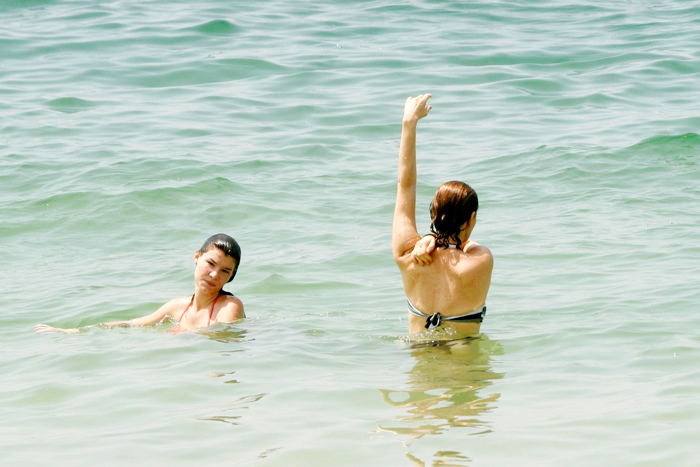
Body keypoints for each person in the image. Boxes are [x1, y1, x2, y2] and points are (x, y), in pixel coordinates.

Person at [393, 94, 493, 335]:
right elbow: (465, 245)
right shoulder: (481, 260)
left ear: (433, 213)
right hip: (465, 362)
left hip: (420, 358)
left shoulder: (407, 255)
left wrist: (409, 122)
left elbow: (405, 186)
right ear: (471, 219)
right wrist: (432, 239)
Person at [35, 233, 245, 334]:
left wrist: (181, 333)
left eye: (225, 271)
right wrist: (72, 331)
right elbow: (132, 323)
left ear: (231, 276)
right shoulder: (177, 307)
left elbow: (220, 337)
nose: (214, 275)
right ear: (197, 257)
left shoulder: (230, 306)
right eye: (210, 263)